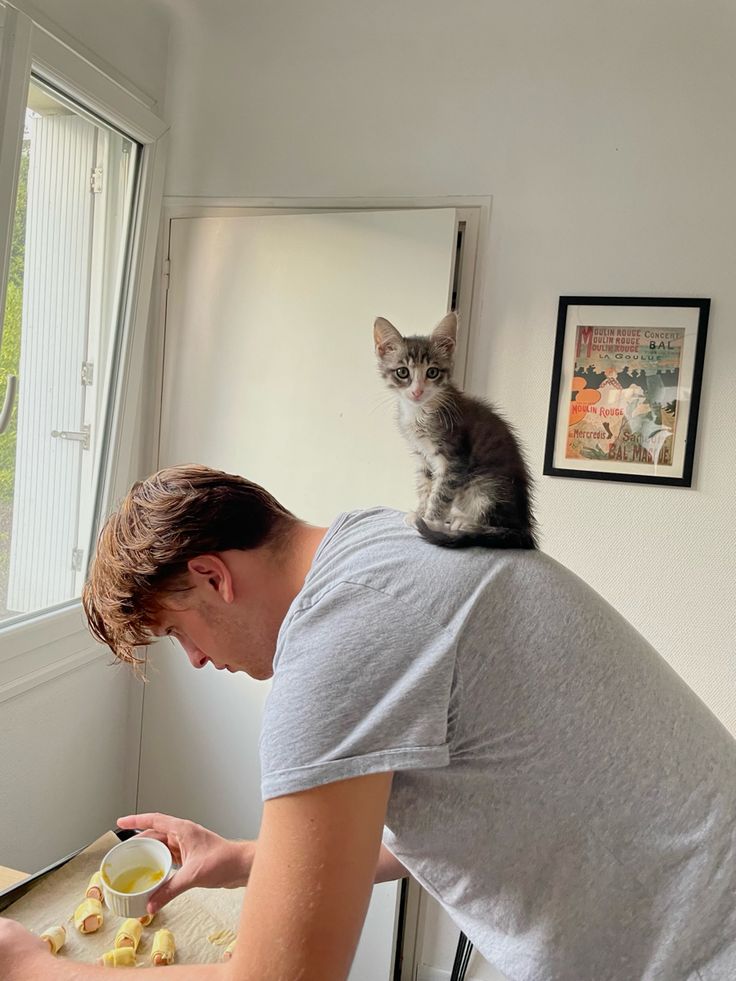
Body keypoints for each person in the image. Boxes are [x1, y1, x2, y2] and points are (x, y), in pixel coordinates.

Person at [2, 463, 735, 981]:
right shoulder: (382, 543)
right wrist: (245, 857)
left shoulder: (336, 644)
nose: (193, 658)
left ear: (212, 577)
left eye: (178, 631)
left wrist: (32, 967)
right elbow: (475, 816)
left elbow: (277, 977)